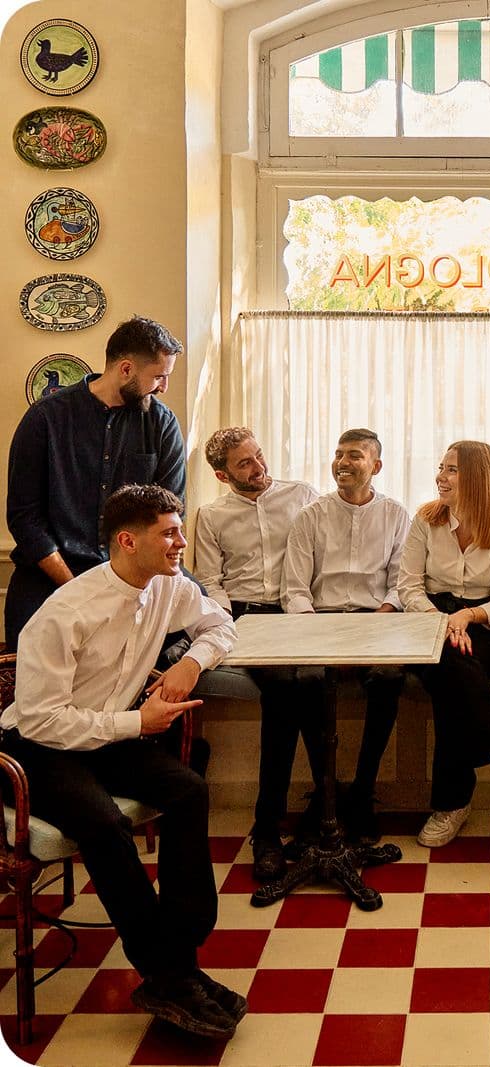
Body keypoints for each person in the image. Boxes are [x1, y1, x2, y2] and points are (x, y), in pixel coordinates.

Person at [0, 485, 245, 1038]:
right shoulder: (63, 614)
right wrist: (138, 724)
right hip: (40, 746)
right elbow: (40, 721)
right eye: (170, 532)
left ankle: (178, 945)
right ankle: (170, 971)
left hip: (108, 733)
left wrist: (189, 666)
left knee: (188, 789)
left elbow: (220, 624)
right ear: (129, 541)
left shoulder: (167, 584)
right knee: (106, 826)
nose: (182, 541)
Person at [398, 440, 490, 846]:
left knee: (455, 678)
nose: (439, 477)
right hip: (429, 619)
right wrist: (441, 621)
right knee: (455, 671)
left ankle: (451, 804)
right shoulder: (424, 521)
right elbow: (409, 587)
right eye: (441, 467)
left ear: (477, 478)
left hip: (484, 624)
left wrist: (466, 617)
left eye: (451, 470)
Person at [6, 317, 185, 649]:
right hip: (52, 572)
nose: (163, 388)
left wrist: (123, 586)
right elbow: (24, 518)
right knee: (28, 654)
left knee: (192, 630)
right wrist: (77, 590)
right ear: (126, 369)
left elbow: (170, 515)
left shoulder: (162, 425)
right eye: (159, 377)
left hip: (133, 569)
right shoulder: (45, 419)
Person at [194, 427, 320, 883]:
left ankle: (315, 819)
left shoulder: (302, 495)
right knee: (286, 688)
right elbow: (210, 582)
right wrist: (229, 629)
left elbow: (326, 551)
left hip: (300, 612)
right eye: (245, 463)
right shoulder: (211, 515)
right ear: (222, 473)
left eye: (259, 456)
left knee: (311, 683)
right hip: (245, 619)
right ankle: (270, 829)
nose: (259, 468)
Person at [281, 428, 411, 844]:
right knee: (306, 682)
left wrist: (381, 619)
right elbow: (295, 591)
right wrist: (326, 641)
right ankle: (326, 790)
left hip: (378, 622)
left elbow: (401, 584)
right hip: (322, 623)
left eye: (354, 455)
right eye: (338, 454)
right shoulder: (311, 516)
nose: (342, 463)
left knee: (389, 680)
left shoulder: (395, 514)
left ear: (376, 465)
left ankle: (362, 792)